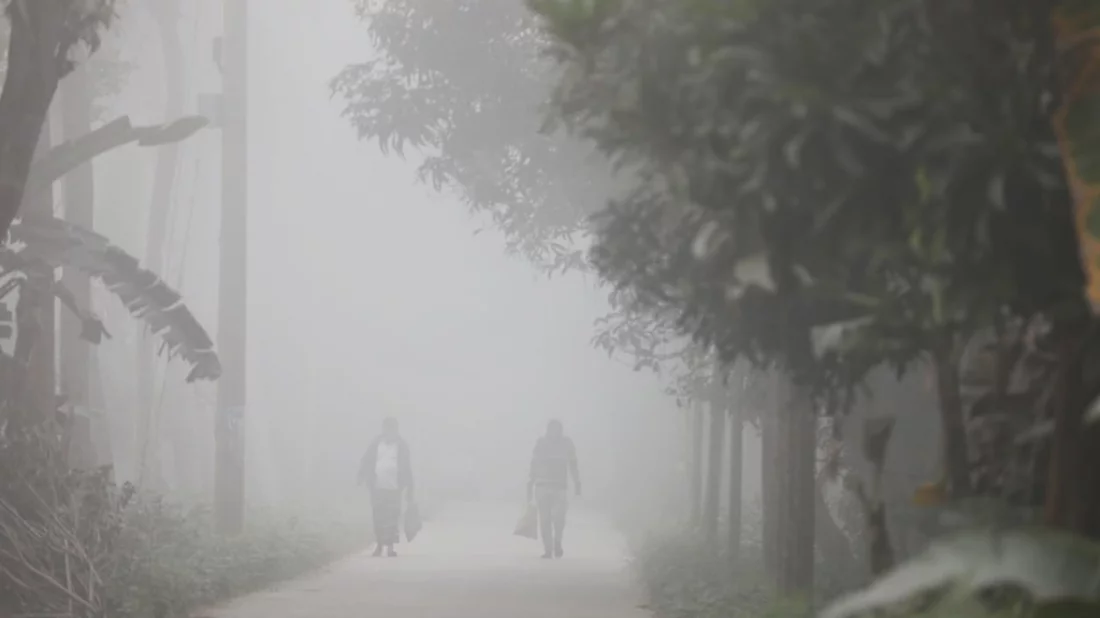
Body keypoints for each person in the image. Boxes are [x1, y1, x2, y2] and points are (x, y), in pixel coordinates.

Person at [358, 417, 414, 557]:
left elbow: (407, 468)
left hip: (395, 488)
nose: (389, 431)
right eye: (387, 428)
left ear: (396, 430)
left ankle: (390, 546)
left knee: (392, 517)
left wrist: (410, 489)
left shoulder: (401, 445)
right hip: (377, 487)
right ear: (383, 429)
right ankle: (379, 545)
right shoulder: (376, 443)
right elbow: (366, 459)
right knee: (378, 517)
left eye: (392, 429)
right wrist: (361, 476)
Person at [527, 419, 581, 559]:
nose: (554, 432)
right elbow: (534, 463)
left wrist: (577, 482)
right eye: (552, 429)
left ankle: (557, 542)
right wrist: (530, 482)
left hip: (560, 488)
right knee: (544, 520)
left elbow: (573, 463)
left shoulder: (566, 444)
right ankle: (548, 549)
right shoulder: (541, 443)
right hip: (542, 486)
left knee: (559, 518)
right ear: (548, 429)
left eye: (557, 429)